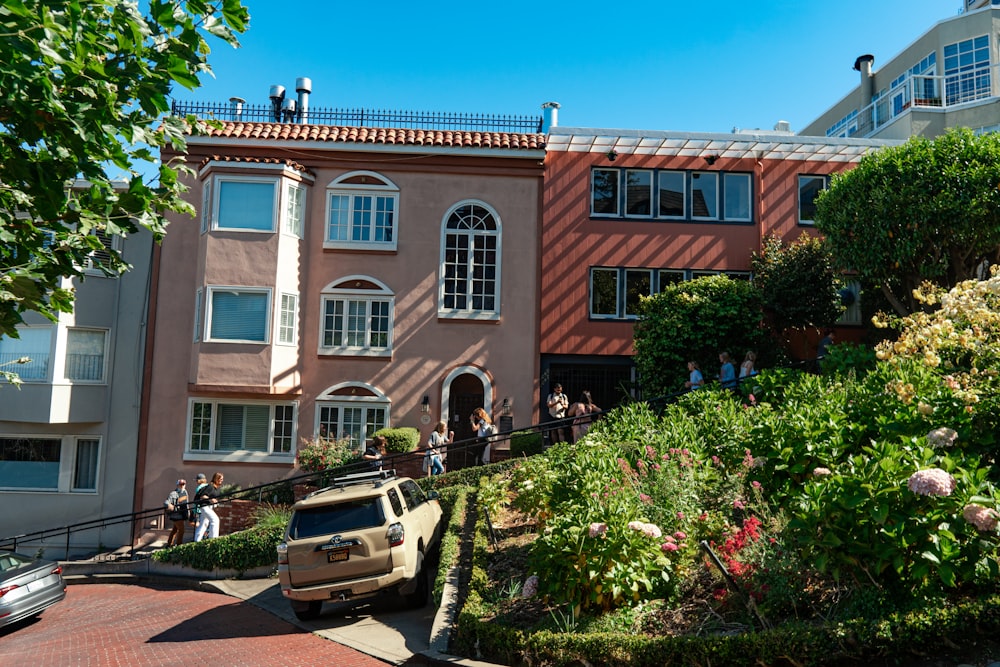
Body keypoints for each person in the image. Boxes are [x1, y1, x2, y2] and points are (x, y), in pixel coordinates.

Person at [194, 472, 224, 542]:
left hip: (208, 507)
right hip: (205, 506)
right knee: (215, 520)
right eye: (220, 479)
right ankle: (213, 540)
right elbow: (202, 496)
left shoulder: (215, 488)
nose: (221, 481)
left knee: (204, 524)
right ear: (216, 479)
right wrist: (211, 499)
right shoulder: (210, 486)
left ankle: (197, 540)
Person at [163, 478, 189, 548]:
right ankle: (179, 544)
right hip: (177, 515)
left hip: (182, 514)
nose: (182, 486)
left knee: (175, 529)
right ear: (177, 485)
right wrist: (169, 505)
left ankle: (169, 544)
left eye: (183, 484)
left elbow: (186, 503)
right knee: (182, 530)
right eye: (181, 484)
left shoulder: (185, 492)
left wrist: (187, 513)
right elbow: (166, 502)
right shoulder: (173, 493)